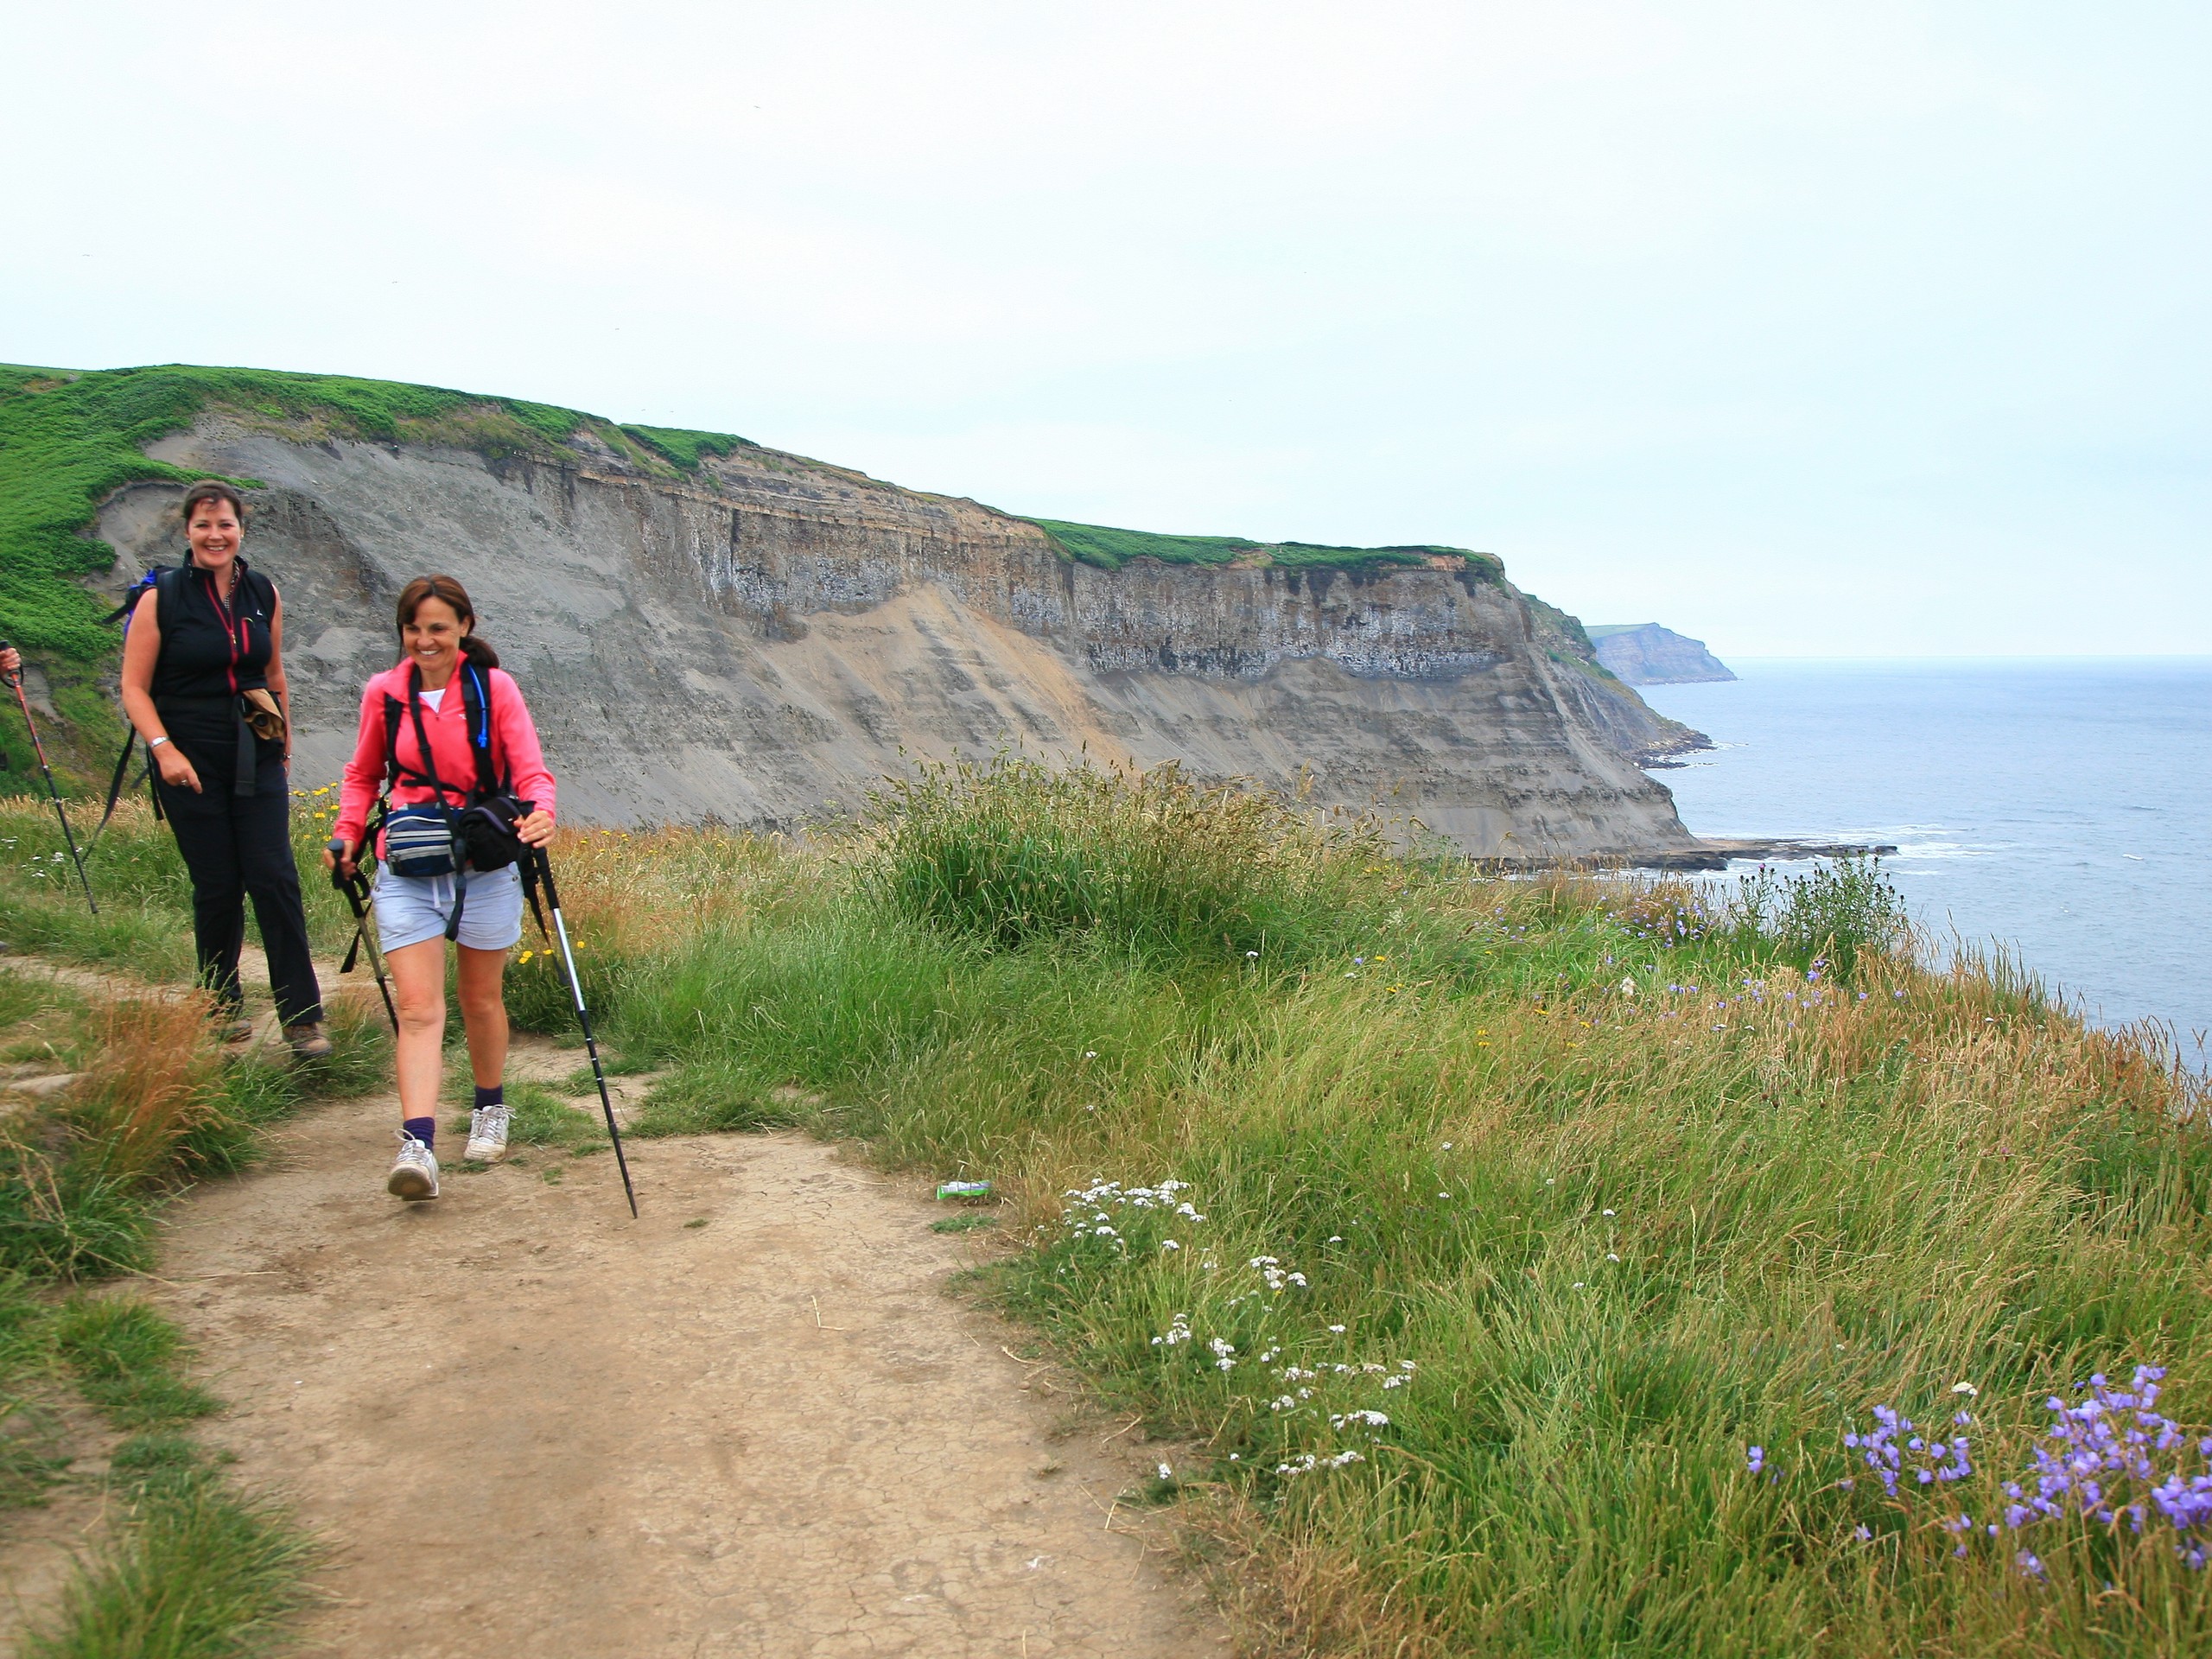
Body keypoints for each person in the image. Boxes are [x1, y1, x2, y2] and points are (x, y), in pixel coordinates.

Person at [327, 575, 556, 1201]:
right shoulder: (385, 694)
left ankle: (490, 1107)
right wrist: (348, 834)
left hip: (484, 866)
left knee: (480, 999)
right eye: (413, 629)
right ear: (402, 632)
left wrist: (541, 813)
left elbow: (531, 770)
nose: (424, 640)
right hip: (407, 865)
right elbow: (362, 773)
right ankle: (418, 1146)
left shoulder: (495, 690)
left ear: (463, 628)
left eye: (437, 628)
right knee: (419, 1009)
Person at [115, 481, 329, 1058]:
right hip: (188, 755)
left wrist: (283, 745)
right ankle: (220, 1004)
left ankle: (302, 1016)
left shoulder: (262, 591)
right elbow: (134, 688)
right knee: (217, 884)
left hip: (254, 750)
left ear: (241, 530)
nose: (215, 535)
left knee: (275, 877)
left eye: (225, 524)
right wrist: (165, 750)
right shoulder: (162, 598)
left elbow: (274, 673)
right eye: (204, 525)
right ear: (187, 531)